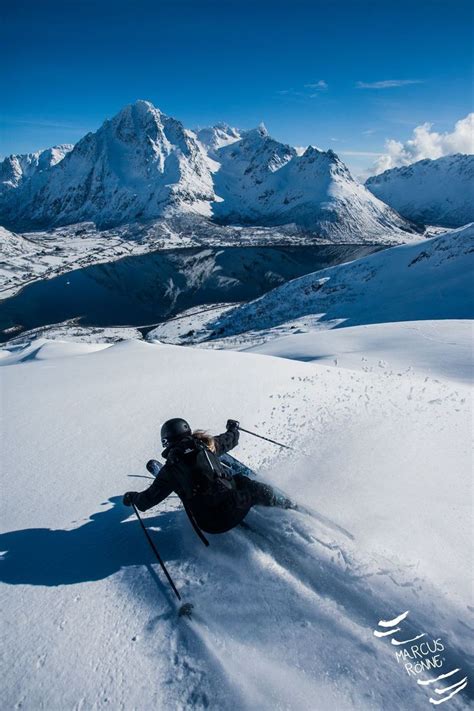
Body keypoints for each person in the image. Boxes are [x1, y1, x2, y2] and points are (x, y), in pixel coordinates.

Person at [123, 418, 293, 535]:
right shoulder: (204, 446)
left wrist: (133, 497)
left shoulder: (170, 470)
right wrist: (233, 429)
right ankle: (287, 504)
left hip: (210, 525)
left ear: (166, 442)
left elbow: (146, 502)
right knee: (243, 481)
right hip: (236, 506)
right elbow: (229, 440)